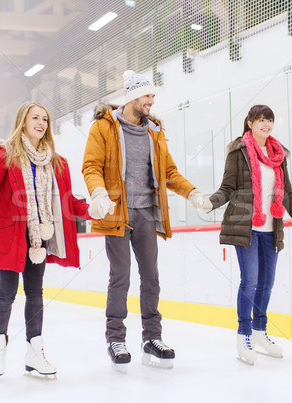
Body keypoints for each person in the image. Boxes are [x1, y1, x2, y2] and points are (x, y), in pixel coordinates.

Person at [82, 70, 205, 370]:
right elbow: (91, 165)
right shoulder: (104, 127)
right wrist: (98, 193)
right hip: (118, 213)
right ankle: (116, 338)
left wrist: (193, 194)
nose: (152, 100)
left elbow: (170, 173)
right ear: (133, 97)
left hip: (147, 212)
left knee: (151, 276)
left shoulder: (154, 132)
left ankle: (152, 337)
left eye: (152, 96)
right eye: (148, 95)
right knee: (120, 275)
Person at [0, 102, 106, 377]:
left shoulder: (55, 162)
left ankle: (34, 353)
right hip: (9, 238)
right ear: (22, 121)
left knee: (36, 295)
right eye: (35, 118)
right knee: (6, 293)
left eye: (45, 119)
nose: (41, 123)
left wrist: (90, 210)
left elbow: (65, 202)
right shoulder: (6, 154)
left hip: (38, 240)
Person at [199, 104, 292, 365]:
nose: (266, 124)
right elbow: (227, 188)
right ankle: (244, 336)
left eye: (269, 120)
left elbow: (287, 195)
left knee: (267, 283)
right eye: (260, 119)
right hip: (245, 228)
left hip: (271, 229)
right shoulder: (238, 153)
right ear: (249, 123)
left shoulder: (278, 155)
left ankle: (261, 332)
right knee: (249, 281)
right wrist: (210, 202)